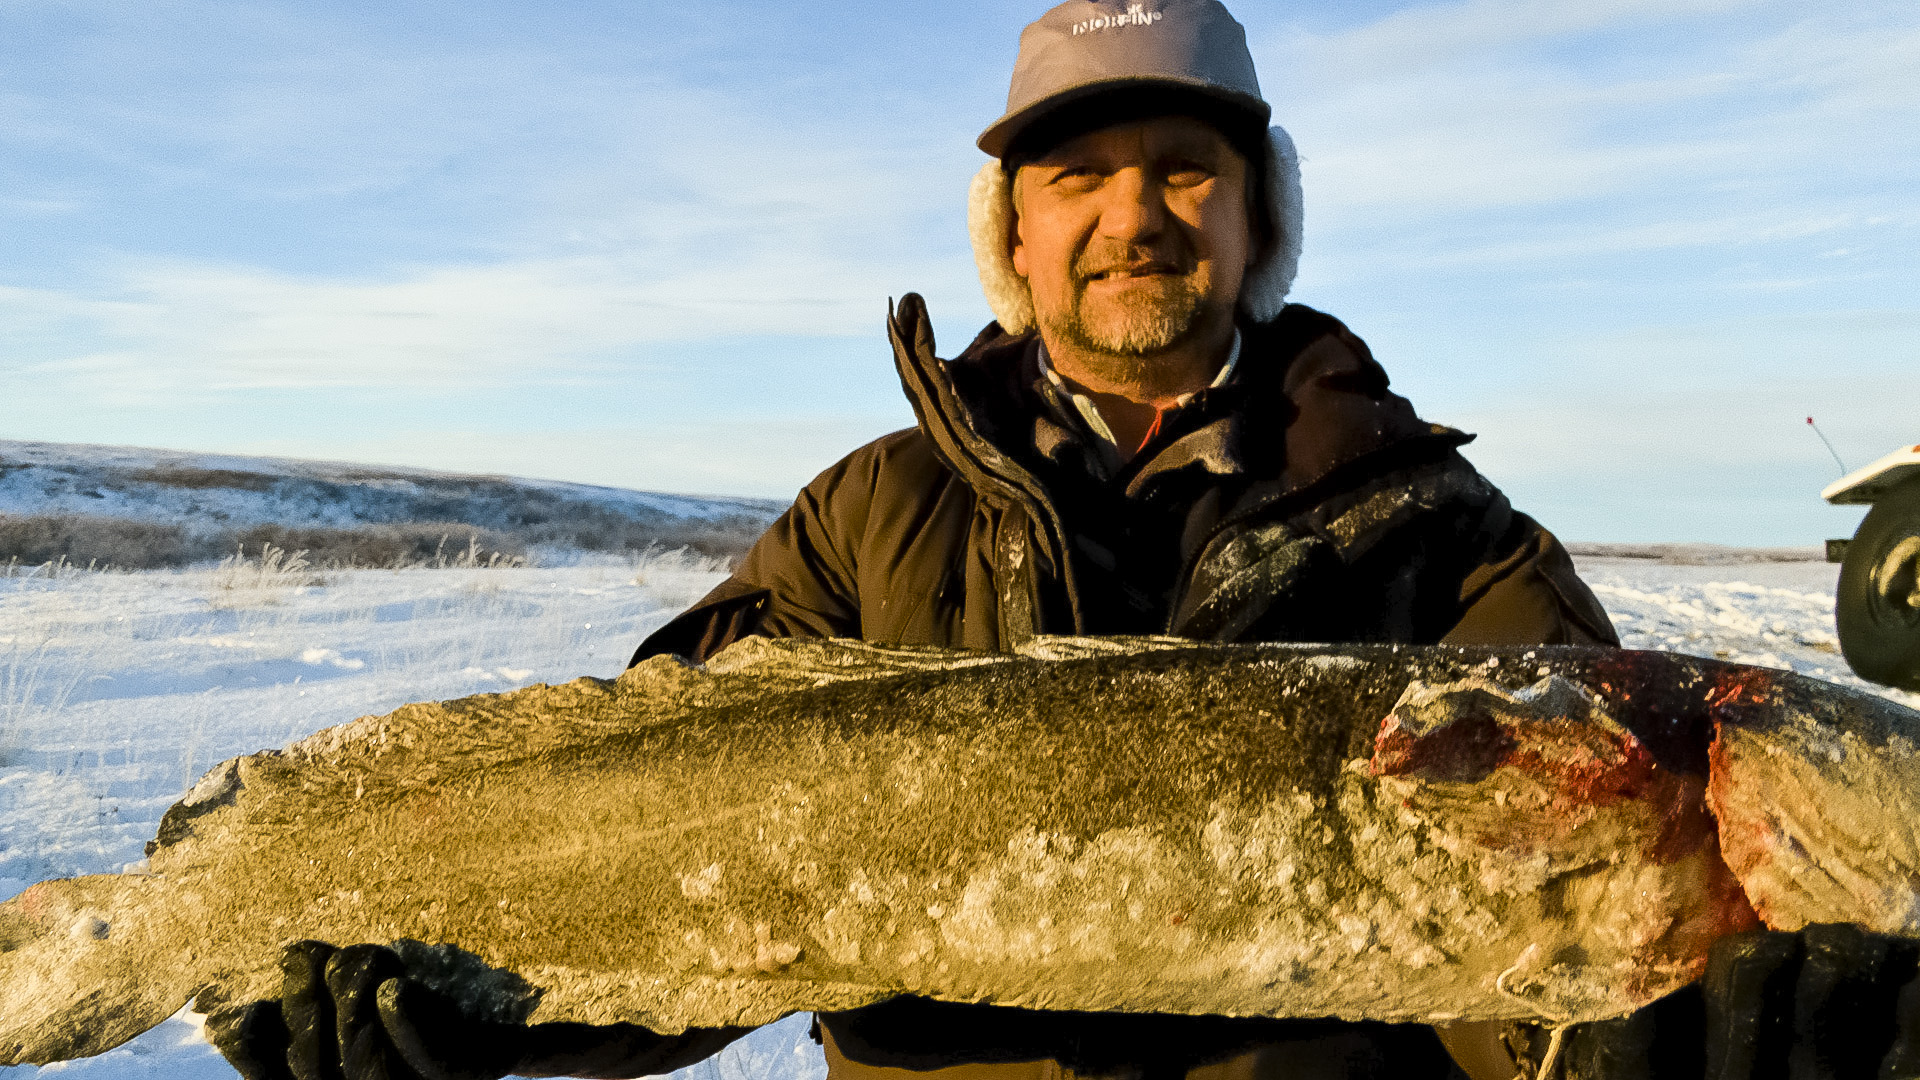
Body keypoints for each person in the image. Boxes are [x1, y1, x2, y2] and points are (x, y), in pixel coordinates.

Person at [209, 2, 1920, 1078]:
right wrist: (481, 1012)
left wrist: (1661, 1032)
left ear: (1256, 224)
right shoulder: (867, 518)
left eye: (1188, 169)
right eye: (1075, 175)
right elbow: (691, 898)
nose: (1130, 216)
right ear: (1011, 236)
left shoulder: (1450, 543)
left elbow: (1528, 1002)